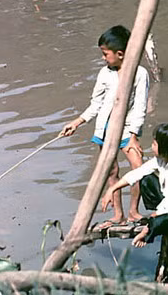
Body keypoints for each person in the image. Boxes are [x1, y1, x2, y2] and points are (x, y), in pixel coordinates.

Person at [60, 25, 150, 227]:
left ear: (120, 54)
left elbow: (140, 106)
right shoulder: (104, 73)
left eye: (105, 54)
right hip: (106, 129)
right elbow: (96, 104)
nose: (103, 58)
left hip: (128, 129)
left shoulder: (140, 73)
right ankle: (118, 215)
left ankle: (134, 211)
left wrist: (134, 135)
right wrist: (77, 122)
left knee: (138, 168)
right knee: (112, 172)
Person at [102, 122, 168, 247]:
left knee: (160, 220)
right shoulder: (160, 161)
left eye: (155, 144)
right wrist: (112, 189)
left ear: (166, 148)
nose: (151, 146)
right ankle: (155, 222)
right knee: (146, 179)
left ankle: (147, 232)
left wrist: (156, 215)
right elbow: (137, 173)